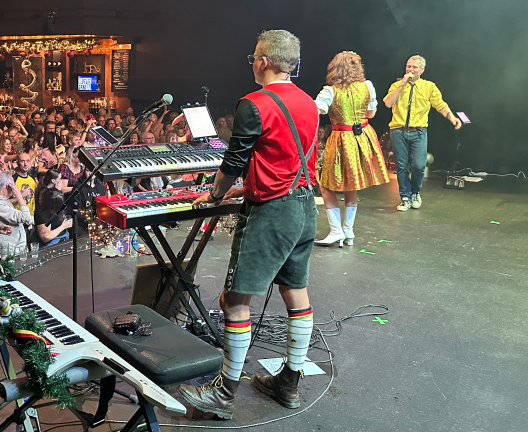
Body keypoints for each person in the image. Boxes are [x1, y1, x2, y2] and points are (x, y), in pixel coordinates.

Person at [179, 29, 318, 419]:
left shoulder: (254, 103)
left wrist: (215, 194)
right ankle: (288, 383)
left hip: (271, 214)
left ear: (263, 61)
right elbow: (287, 160)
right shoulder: (309, 103)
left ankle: (224, 393)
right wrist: (249, 186)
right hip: (304, 207)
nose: (252, 63)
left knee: (234, 302)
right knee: (296, 293)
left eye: (253, 57)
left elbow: (233, 162)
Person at [313, 51, 389, 247]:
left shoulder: (330, 91)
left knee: (326, 186)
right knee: (351, 185)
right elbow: (371, 114)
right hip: (362, 137)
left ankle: (336, 231)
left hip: (341, 138)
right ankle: (348, 231)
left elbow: (316, 110)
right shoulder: (367, 86)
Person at [383, 55, 462, 211]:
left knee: (419, 166)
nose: (410, 69)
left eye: (414, 67)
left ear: (422, 70)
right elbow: (388, 103)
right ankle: (405, 197)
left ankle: (414, 192)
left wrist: (452, 117)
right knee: (401, 167)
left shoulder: (429, 86)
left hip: (419, 132)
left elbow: (440, 104)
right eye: (408, 66)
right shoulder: (396, 85)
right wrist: (402, 84)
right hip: (398, 131)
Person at [0, 172, 34, 255]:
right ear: (8, 186)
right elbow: (25, 217)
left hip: (15, 250)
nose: (15, 187)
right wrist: (19, 195)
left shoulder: (0, 201)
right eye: (13, 185)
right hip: (8, 253)